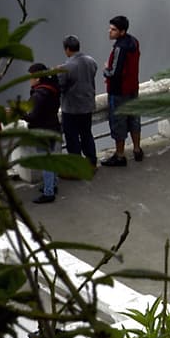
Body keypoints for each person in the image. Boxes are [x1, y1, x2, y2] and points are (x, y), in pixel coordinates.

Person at [101, 15, 143, 166]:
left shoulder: (120, 48)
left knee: (118, 122)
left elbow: (115, 72)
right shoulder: (134, 42)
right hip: (133, 88)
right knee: (134, 119)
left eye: (113, 29)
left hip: (119, 91)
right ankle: (137, 150)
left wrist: (106, 70)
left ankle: (120, 156)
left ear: (122, 32)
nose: (109, 31)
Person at [57, 34, 98, 167]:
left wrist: (56, 73)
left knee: (72, 138)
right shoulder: (91, 61)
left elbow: (61, 86)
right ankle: (91, 162)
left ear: (67, 49)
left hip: (71, 108)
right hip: (87, 105)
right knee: (87, 134)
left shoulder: (66, 67)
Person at [26, 63, 62, 205]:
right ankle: (53, 184)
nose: (29, 80)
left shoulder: (39, 94)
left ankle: (48, 193)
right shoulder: (53, 88)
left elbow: (32, 116)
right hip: (53, 127)